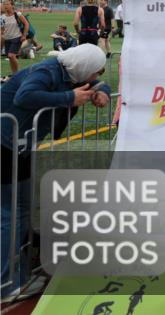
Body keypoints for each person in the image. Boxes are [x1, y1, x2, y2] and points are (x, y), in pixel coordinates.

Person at [1, 44, 110, 297]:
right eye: (94, 72)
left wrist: (101, 91)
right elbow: (24, 96)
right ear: (83, 67)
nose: (94, 77)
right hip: (5, 144)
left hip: (20, 145)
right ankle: (7, 283)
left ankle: (20, 273)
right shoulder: (47, 71)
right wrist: (69, 99)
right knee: (10, 213)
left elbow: (98, 84)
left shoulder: (69, 73)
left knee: (23, 209)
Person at [1, 0, 30, 75]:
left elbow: (26, 24)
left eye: (7, 4)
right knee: (10, 57)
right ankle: (14, 74)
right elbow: (2, 29)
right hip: (7, 39)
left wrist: (24, 35)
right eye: (4, 4)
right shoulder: (2, 17)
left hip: (17, 37)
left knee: (11, 55)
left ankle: (17, 73)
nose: (5, 6)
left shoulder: (18, 14)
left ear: (12, 5)